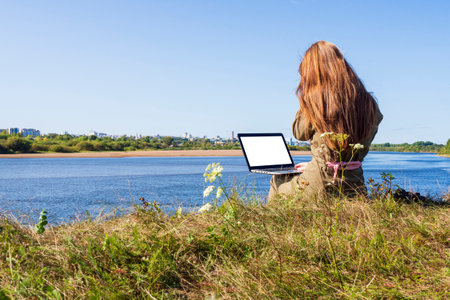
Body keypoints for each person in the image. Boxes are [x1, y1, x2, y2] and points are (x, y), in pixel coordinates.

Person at [269, 41, 383, 200]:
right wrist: (312, 166)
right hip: (355, 186)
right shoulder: (369, 103)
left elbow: (299, 133)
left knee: (277, 181)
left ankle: (277, 223)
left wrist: (306, 98)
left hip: (319, 185)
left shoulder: (315, 103)